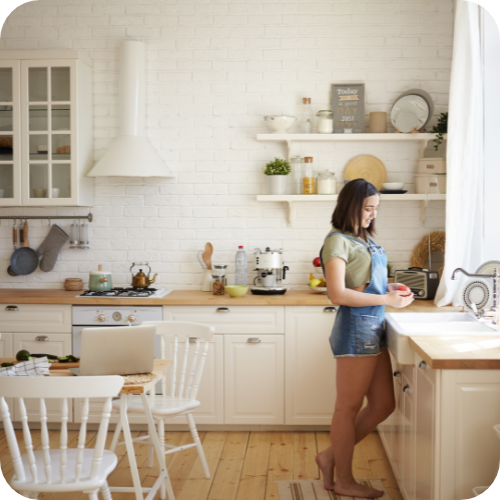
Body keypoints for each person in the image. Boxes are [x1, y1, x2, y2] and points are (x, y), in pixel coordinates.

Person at [315, 179, 414, 499]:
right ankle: (342, 479)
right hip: (356, 330)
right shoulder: (337, 242)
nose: (373, 214)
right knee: (347, 408)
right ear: (350, 205)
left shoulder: (363, 241)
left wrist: (390, 291)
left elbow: (365, 289)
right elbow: (337, 293)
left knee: (384, 404)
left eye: (376, 208)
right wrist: (385, 301)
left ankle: (330, 456)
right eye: (368, 207)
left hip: (374, 329)